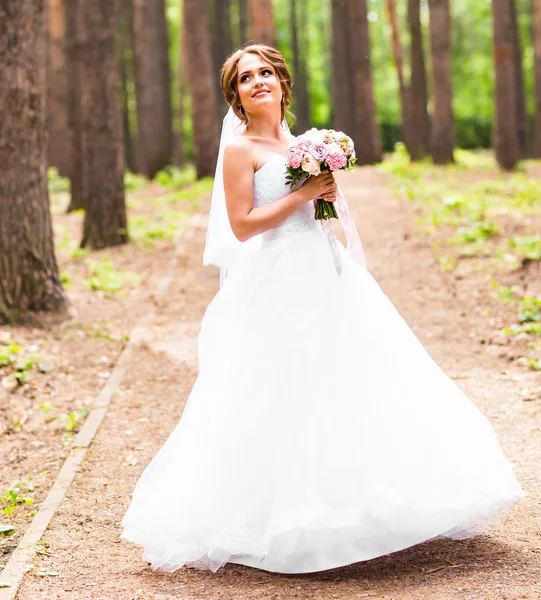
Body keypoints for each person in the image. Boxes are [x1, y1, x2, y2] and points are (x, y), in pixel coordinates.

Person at [121, 45, 524, 575]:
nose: (258, 81)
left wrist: (323, 196)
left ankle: (364, 504)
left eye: (266, 73)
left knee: (357, 378)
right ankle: (286, 517)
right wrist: (303, 193)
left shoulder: (302, 142)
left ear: (282, 84)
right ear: (236, 97)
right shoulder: (239, 149)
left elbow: (317, 208)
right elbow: (242, 225)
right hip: (277, 276)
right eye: (246, 78)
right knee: (284, 386)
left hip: (324, 267)